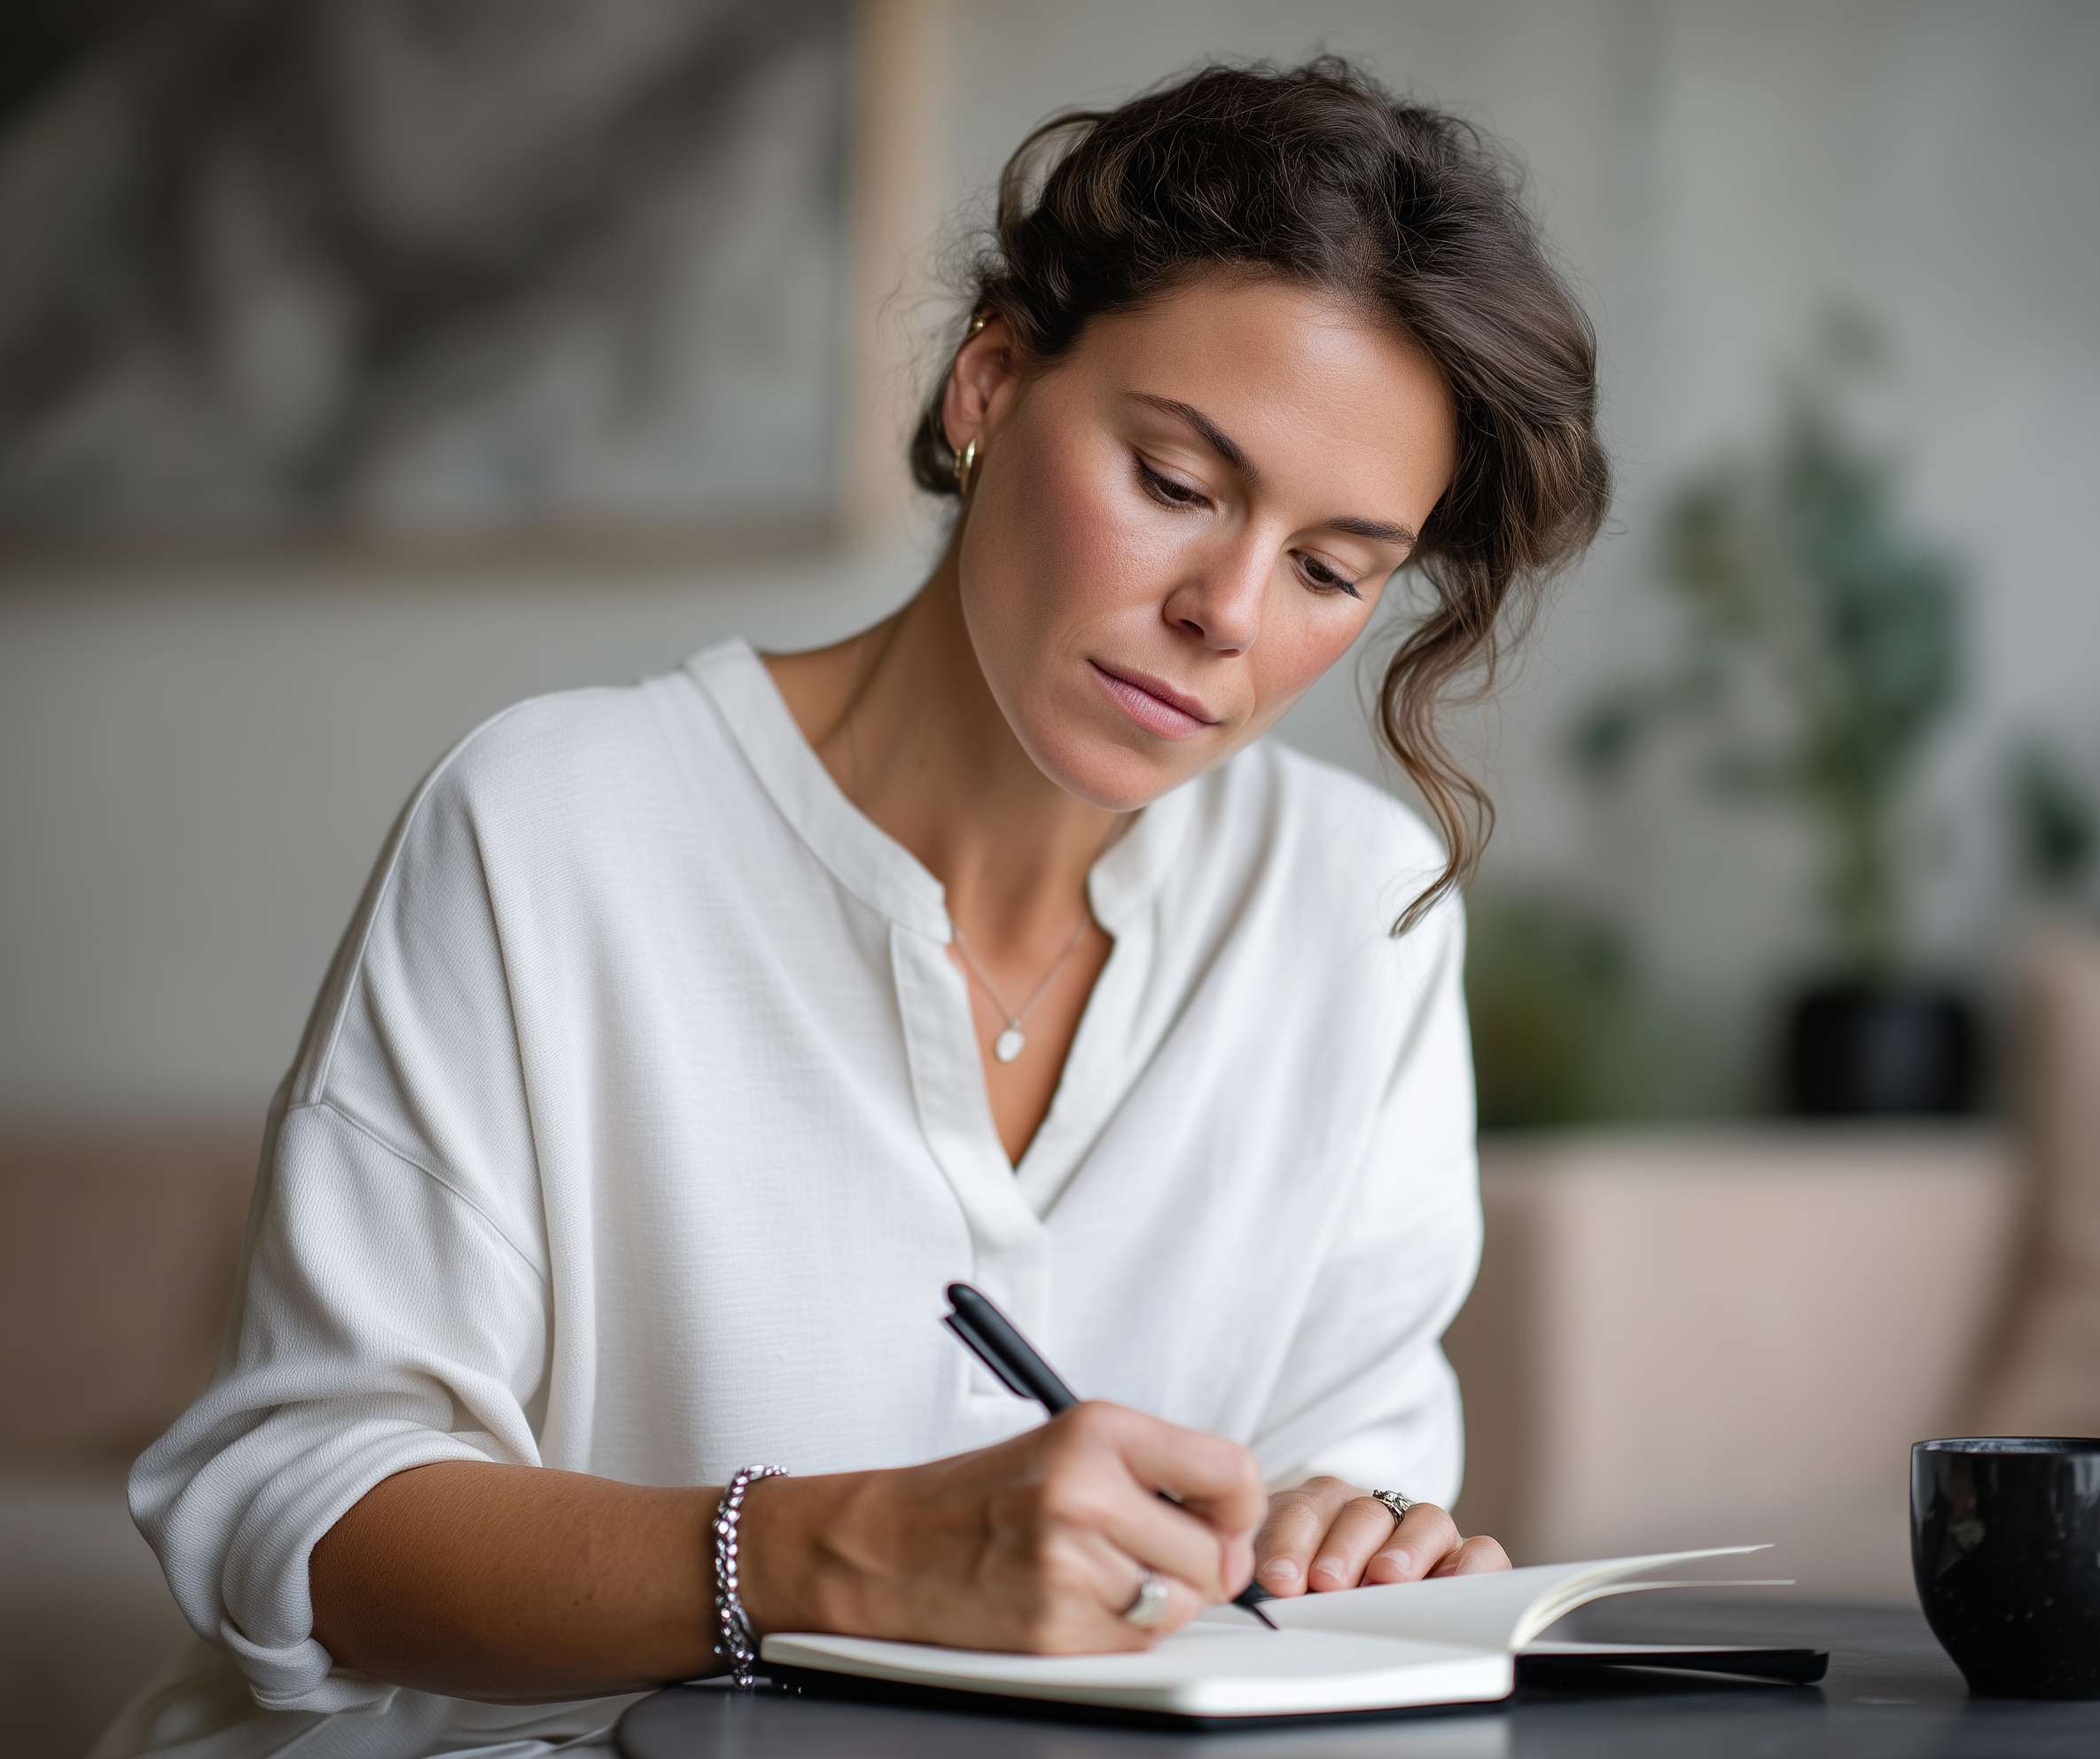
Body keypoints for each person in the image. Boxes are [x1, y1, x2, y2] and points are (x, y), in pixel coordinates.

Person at [90, 51, 1611, 1759]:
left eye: (1334, 570)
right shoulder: (558, 826)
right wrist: (851, 1553)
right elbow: (305, 1515)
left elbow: (1345, 1478)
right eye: (1178, 484)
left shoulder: (1359, 905)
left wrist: (1358, 1540)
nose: (1230, 613)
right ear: (991, 382)